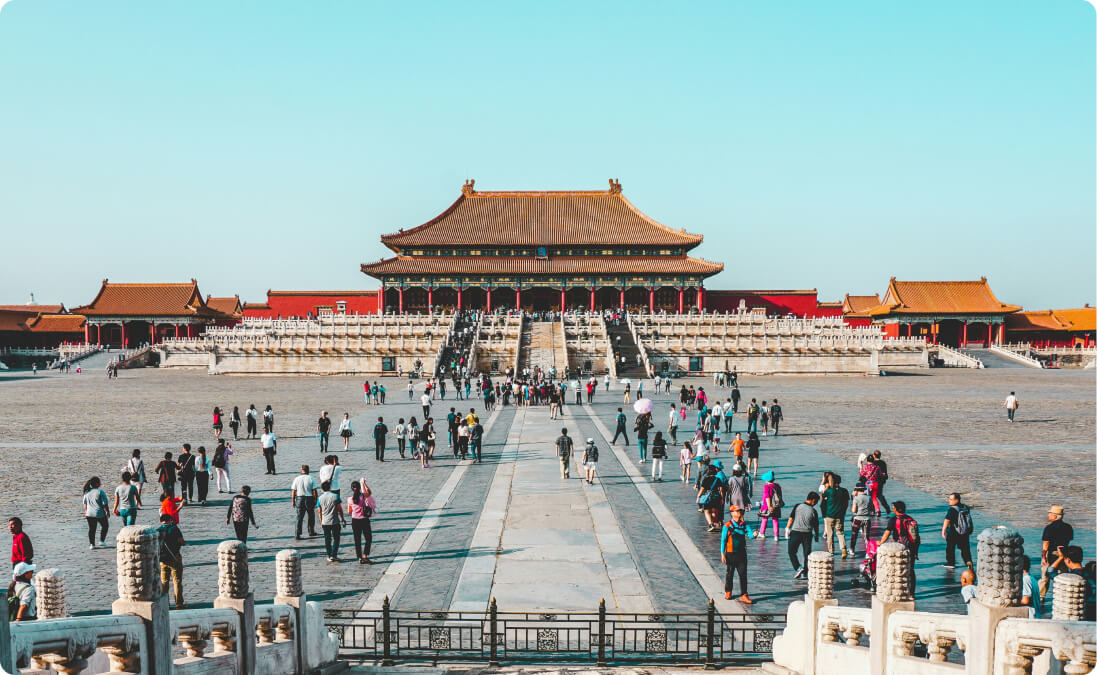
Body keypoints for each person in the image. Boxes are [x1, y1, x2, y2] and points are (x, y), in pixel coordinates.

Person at [878, 501, 920, 595]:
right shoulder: (910, 519)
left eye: (893, 507)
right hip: (911, 548)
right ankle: (912, 593)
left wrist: (881, 542)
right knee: (911, 570)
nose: (893, 509)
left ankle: (899, 591)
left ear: (896, 509)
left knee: (898, 569)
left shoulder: (893, 520)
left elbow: (887, 533)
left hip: (899, 549)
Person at [721, 505, 755, 603]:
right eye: (737, 511)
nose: (739, 512)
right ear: (732, 513)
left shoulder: (744, 525)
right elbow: (723, 540)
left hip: (741, 554)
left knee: (743, 574)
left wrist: (755, 534)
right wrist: (722, 553)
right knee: (730, 573)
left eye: (740, 511)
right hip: (730, 554)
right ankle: (728, 591)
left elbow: (751, 535)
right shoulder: (727, 526)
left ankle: (744, 594)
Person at [1039, 504, 1074, 601]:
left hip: (1051, 554)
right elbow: (1068, 541)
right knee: (1062, 576)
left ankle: (1041, 597)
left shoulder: (1049, 528)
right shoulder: (1068, 527)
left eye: (1050, 513)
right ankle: (1064, 597)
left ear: (1055, 516)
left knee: (1045, 578)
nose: (1048, 515)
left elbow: (1046, 545)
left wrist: (1044, 557)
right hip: (1064, 554)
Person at [787, 492, 820, 578]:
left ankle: (798, 567)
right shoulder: (814, 511)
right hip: (807, 534)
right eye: (816, 502)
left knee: (791, 552)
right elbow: (816, 525)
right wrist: (816, 535)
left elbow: (791, 518)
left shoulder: (797, 506)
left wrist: (787, 528)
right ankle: (805, 572)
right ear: (813, 500)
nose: (815, 504)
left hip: (795, 532)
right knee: (807, 554)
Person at [158, 513, 186, 609]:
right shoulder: (174, 529)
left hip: (162, 560)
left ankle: (165, 605)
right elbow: (182, 542)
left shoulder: (157, 531)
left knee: (164, 582)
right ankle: (179, 604)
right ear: (170, 520)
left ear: (160, 521)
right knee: (177, 581)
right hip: (174, 558)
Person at [941, 492, 974, 569]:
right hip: (965, 532)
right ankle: (968, 562)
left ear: (957, 500)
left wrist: (943, 531)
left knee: (950, 548)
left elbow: (947, 520)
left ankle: (951, 563)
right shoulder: (965, 507)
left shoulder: (952, 509)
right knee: (965, 548)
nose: (949, 501)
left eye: (951, 499)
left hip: (954, 532)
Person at [821, 475, 850, 558]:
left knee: (830, 534)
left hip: (829, 514)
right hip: (840, 515)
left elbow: (822, 499)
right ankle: (843, 549)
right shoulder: (844, 491)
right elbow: (846, 503)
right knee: (840, 533)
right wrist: (843, 511)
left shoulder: (829, 491)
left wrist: (825, 489)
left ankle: (831, 551)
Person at [317, 481, 346, 562]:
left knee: (327, 539)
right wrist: (343, 518)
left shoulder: (320, 498)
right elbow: (340, 509)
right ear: (329, 488)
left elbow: (319, 511)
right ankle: (334, 554)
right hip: (335, 521)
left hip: (325, 522)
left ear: (322, 489)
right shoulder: (335, 496)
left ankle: (329, 555)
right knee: (336, 538)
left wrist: (321, 521)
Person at [348, 481, 374, 564]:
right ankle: (365, 555)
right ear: (359, 488)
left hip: (355, 520)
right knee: (368, 538)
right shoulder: (362, 496)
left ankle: (359, 558)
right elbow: (369, 492)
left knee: (357, 540)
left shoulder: (349, 499)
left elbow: (349, 511)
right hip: (364, 520)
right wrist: (365, 484)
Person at [291, 465, 319, 540]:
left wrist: (293, 501)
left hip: (299, 499)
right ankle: (311, 531)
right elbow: (314, 491)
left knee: (299, 517)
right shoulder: (311, 478)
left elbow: (293, 491)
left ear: (301, 470)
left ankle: (297, 533)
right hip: (309, 498)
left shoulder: (296, 479)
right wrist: (316, 500)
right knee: (311, 515)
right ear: (308, 470)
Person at [82, 477, 110, 549]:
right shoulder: (100, 492)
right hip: (99, 512)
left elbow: (85, 504)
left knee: (92, 529)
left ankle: (92, 544)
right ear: (97, 484)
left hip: (89, 513)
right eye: (99, 482)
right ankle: (101, 541)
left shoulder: (87, 492)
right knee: (105, 526)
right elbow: (104, 504)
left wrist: (85, 511)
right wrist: (107, 511)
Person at [758, 471, 783, 540]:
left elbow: (767, 497)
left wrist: (769, 506)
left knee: (764, 519)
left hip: (767, 506)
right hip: (776, 506)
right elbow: (780, 495)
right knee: (775, 520)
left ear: (766, 480)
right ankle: (776, 536)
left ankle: (762, 533)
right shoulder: (777, 486)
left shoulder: (766, 487)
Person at [849, 484, 873, 554]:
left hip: (857, 519)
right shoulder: (869, 498)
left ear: (856, 490)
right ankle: (869, 551)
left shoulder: (856, 498)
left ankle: (852, 550)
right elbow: (871, 509)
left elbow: (853, 510)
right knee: (866, 536)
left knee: (854, 535)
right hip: (867, 519)